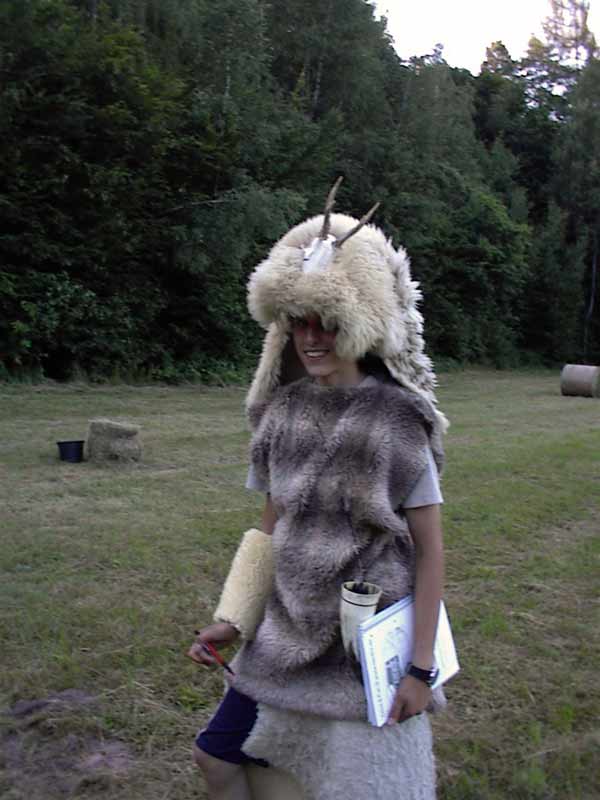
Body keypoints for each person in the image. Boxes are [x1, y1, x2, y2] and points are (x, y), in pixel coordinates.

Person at [188, 180, 448, 800]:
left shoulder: (399, 420)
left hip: (358, 644)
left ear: (360, 324)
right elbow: (269, 527)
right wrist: (233, 619)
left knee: (344, 784)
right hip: (283, 632)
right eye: (299, 323)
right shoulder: (281, 414)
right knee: (216, 758)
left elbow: (430, 551)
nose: (311, 339)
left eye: (327, 324)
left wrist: (420, 668)